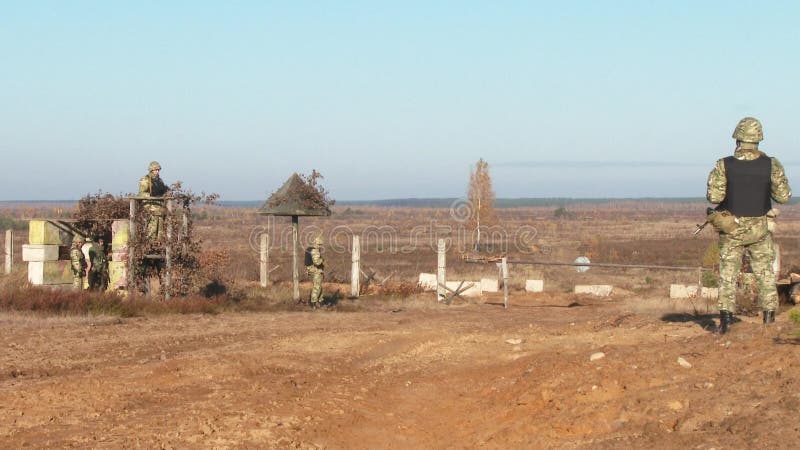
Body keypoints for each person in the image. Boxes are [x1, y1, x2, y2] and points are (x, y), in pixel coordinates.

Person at [707, 117, 792, 333]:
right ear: (758, 139)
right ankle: (769, 321)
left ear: (737, 138)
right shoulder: (771, 164)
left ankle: (726, 323)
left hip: (731, 228)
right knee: (765, 273)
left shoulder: (723, 164)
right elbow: (783, 196)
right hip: (760, 228)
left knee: (728, 275)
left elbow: (714, 196)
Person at [138, 161, 169, 241]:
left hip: (159, 207)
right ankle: (149, 244)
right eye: (155, 170)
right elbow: (141, 194)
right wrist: (151, 196)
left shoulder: (160, 181)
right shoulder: (145, 179)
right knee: (152, 229)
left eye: (158, 170)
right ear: (151, 170)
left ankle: (158, 244)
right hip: (150, 207)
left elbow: (163, 192)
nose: (157, 171)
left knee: (160, 229)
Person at [305, 235, 325, 308]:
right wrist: (322, 261)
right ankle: (313, 303)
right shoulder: (315, 251)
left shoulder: (309, 249)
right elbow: (317, 262)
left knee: (319, 286)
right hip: (316, 270)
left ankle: (320, 301)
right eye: (319, 244)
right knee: (317, 287)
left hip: (311, 270)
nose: (320, 246)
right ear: (316, 243)